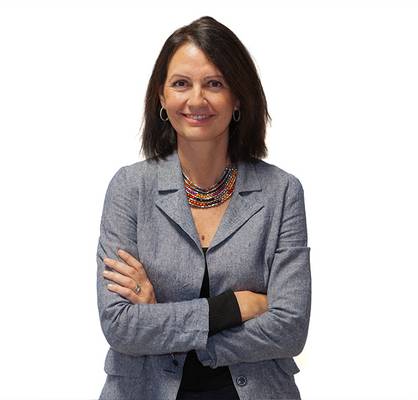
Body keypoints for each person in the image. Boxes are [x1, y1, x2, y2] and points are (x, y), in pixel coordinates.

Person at [96, 16, 311, 400]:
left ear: (238, 96)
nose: (196, 100)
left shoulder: (281, 192)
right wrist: (233, 307)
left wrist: (166, 323)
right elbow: (121, 325)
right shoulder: (130, 189)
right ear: (161, 98)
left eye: (214, 83)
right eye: (181, 84)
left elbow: (290, 327)